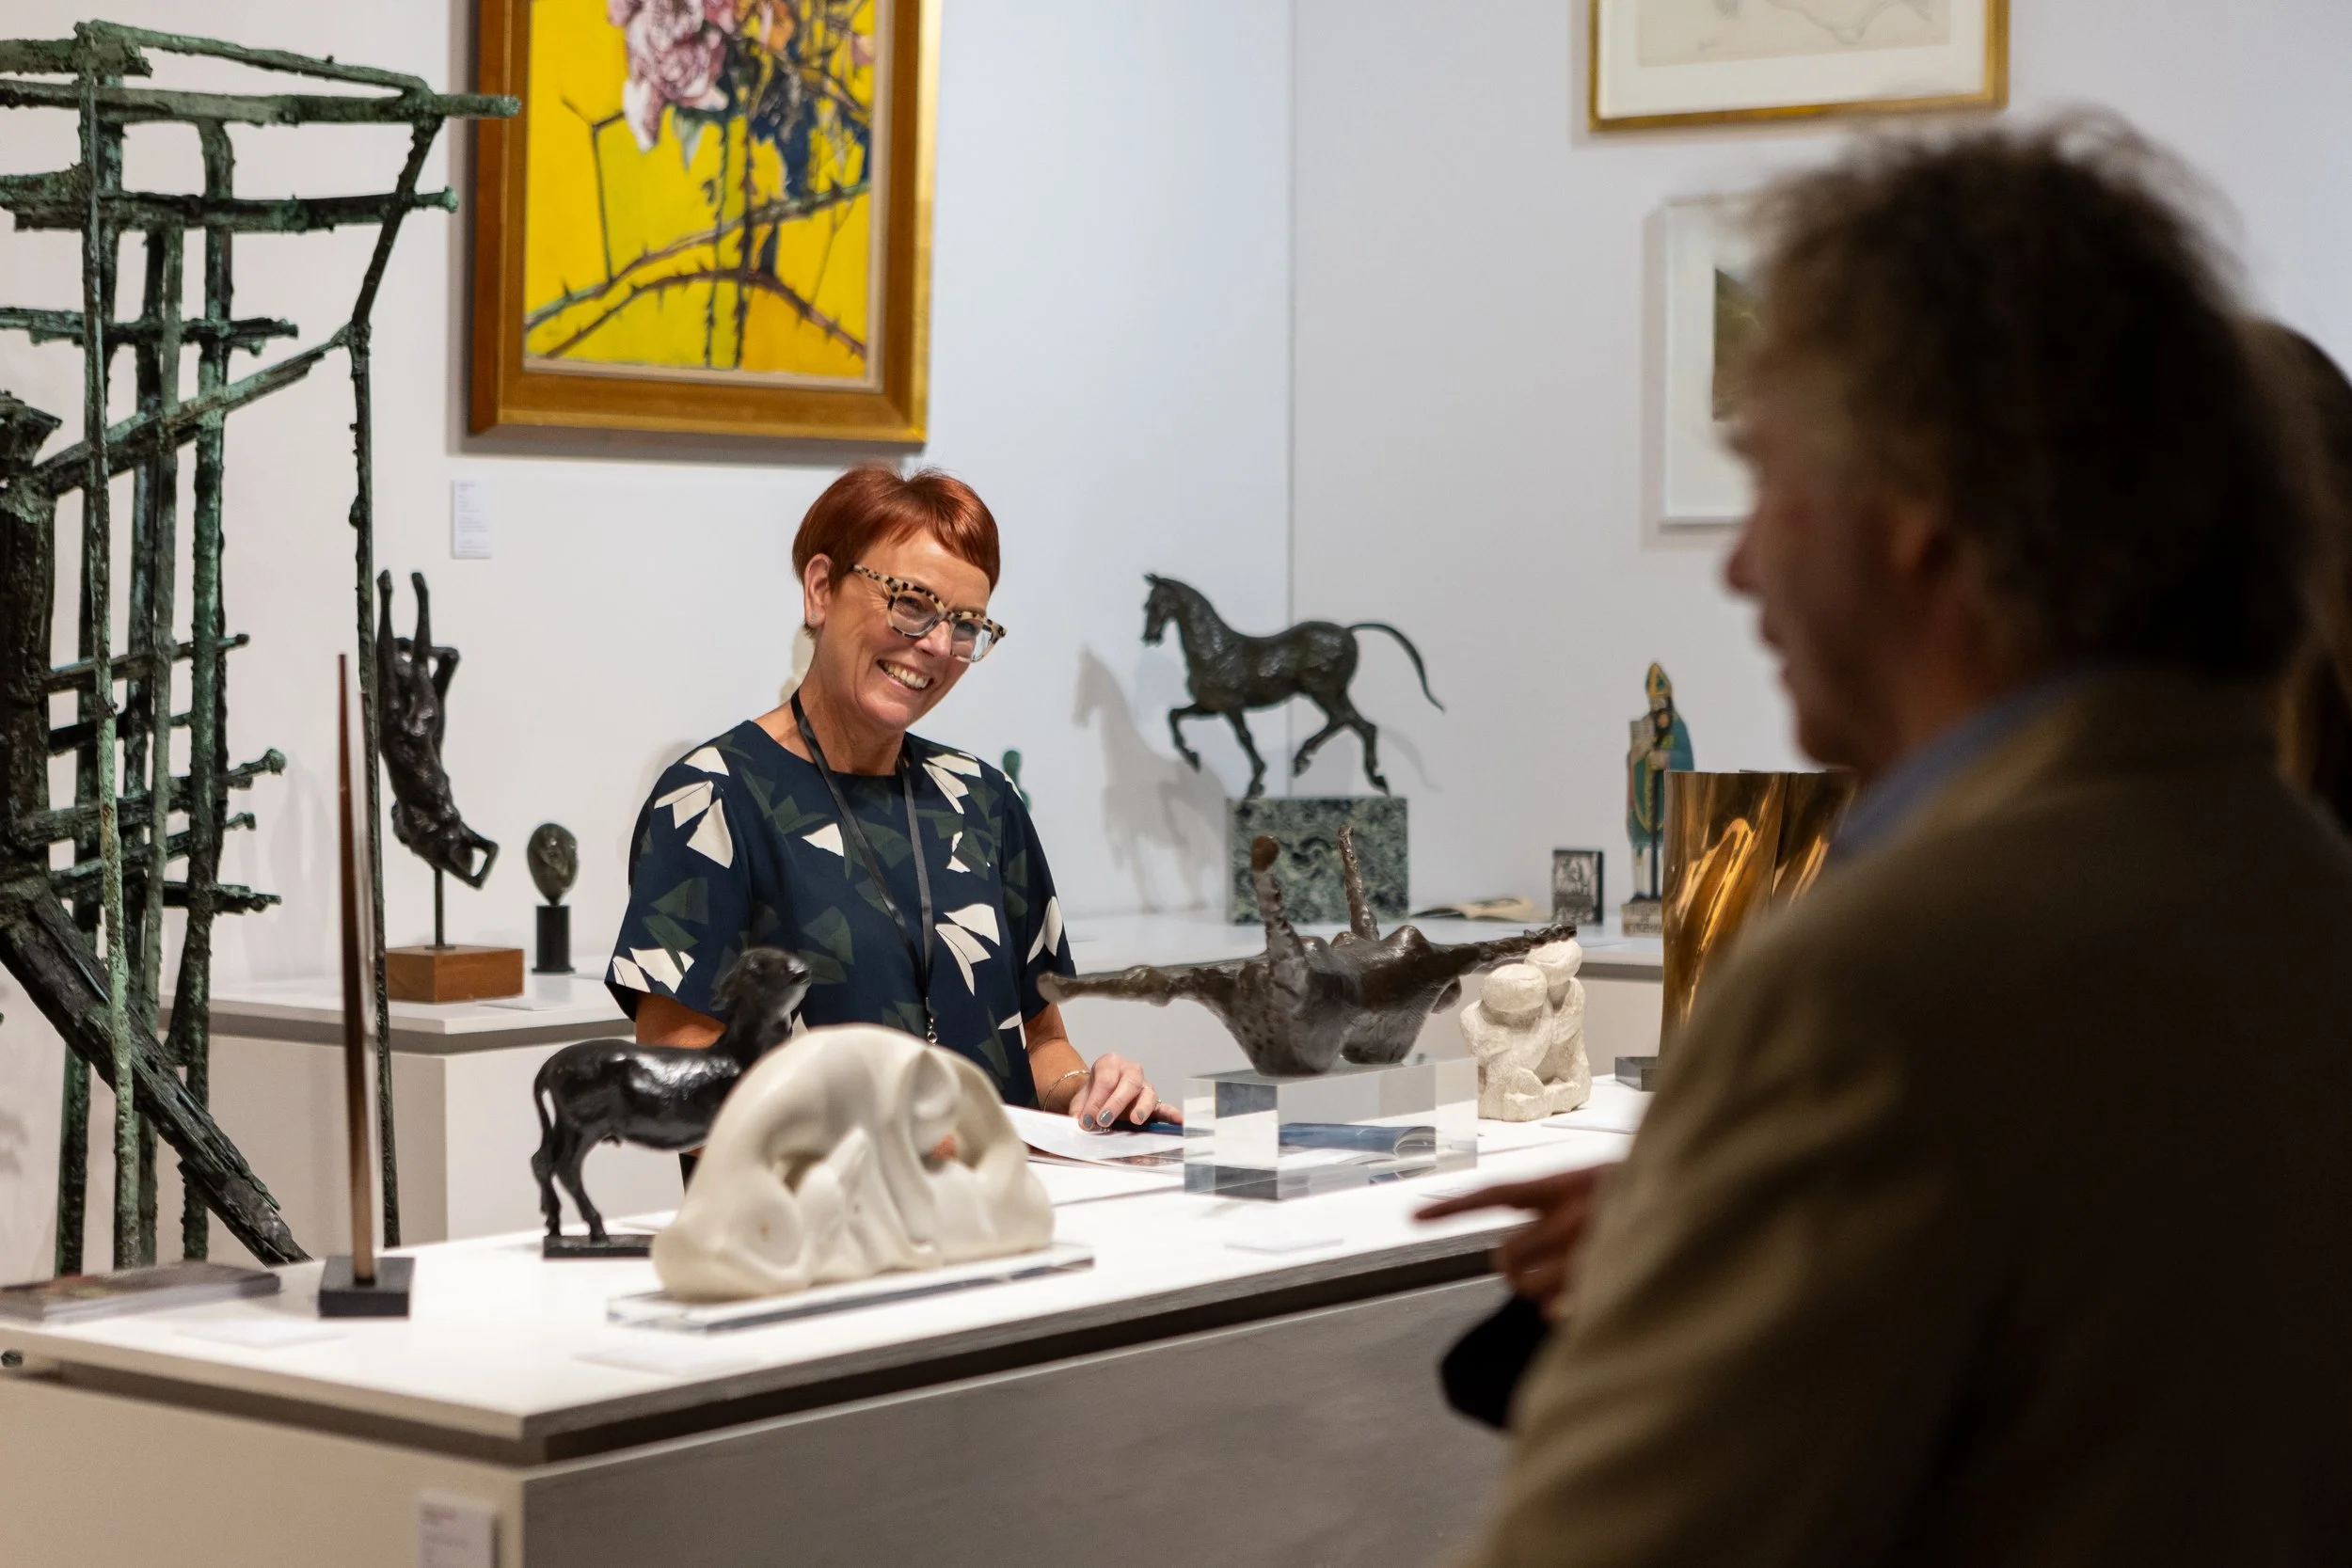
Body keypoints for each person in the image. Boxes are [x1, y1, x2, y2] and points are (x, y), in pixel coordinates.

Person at [1425, 120, 2352, 1565]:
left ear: (1913, 511)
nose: (1738, 563)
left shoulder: (1885, 982)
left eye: (1773, 479)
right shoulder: (2297, 889)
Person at [609, 466, 1172, 1131]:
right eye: (912, 602)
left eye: (967, 626)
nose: (937, 645)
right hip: (815, 1223)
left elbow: (1041, 1042)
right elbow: (685, 1091)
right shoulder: (711, 801)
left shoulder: (984, 801)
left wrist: (1088, 1092)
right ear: (821, 589)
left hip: (1001, 1214)